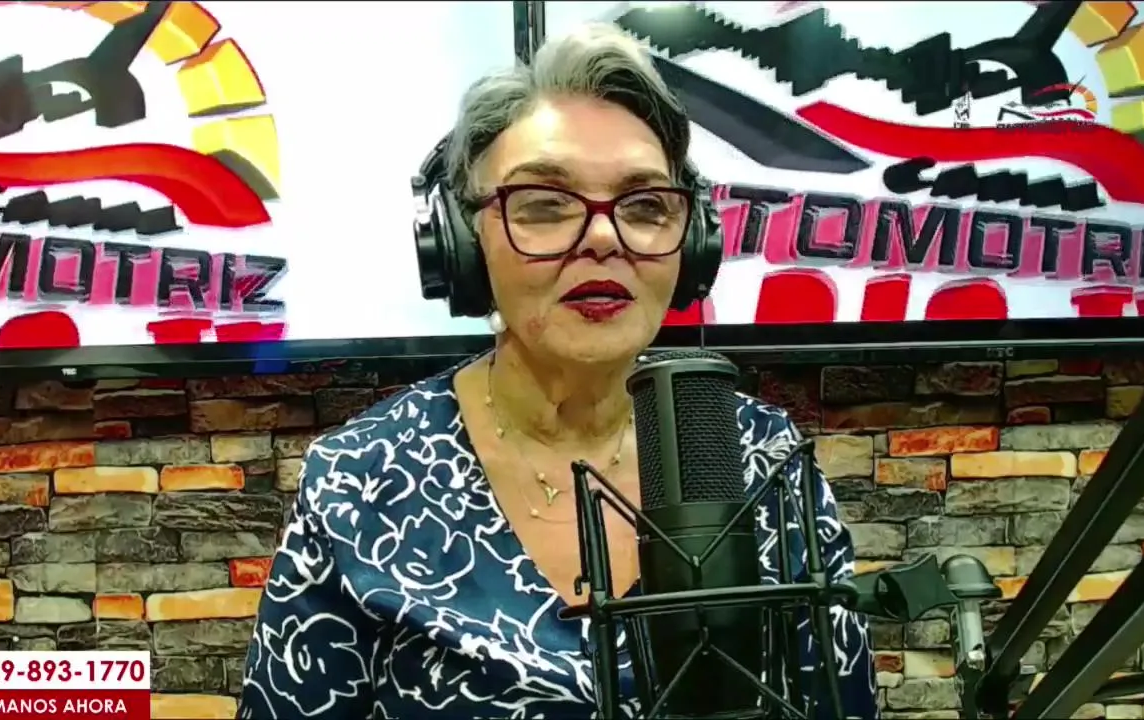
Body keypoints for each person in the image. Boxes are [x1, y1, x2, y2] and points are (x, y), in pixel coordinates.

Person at [237, 23, 877, 720]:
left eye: (645, 206)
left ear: (691, 243)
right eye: (544, 205)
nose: (603, 238)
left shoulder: (765, 463)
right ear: (461, 242)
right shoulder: (361, 482)